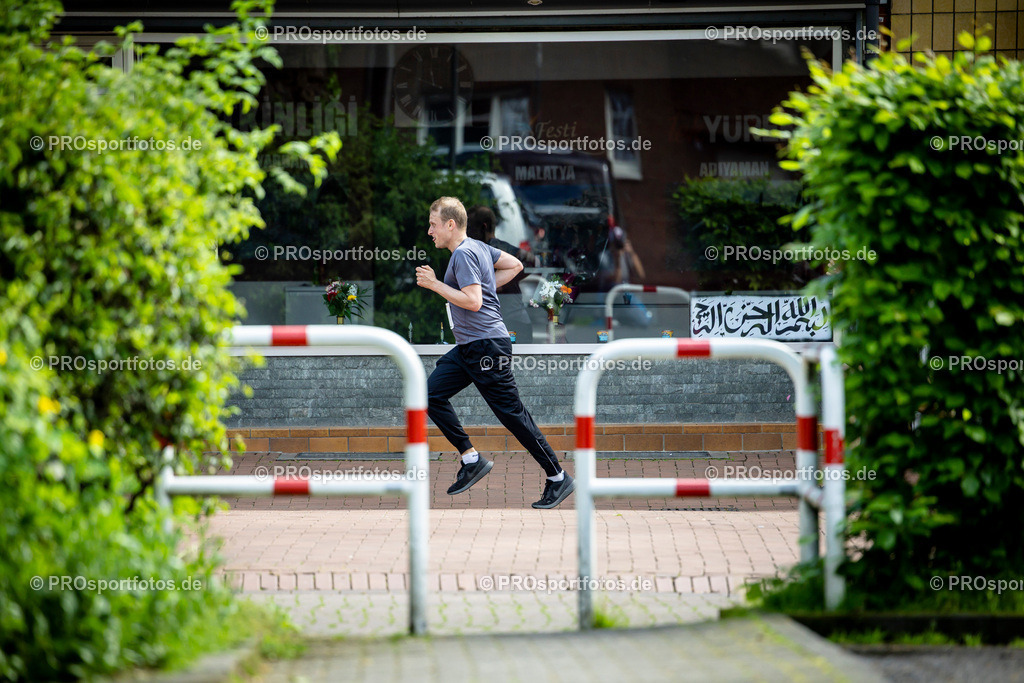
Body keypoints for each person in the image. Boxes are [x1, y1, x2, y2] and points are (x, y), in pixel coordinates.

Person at [416, 197, 574, 509]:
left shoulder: (463, 254)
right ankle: (471, 459)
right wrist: (487, 288)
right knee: (428, 394)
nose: (429, 230)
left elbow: (473, 302)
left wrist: (435, 285)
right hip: (471, 347)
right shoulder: (478, 248)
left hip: (486, 346)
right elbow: (516, 265)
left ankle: (558, 477)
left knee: (512, 415)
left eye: (433, 224)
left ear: (451, 224)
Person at [466, 205, 533, 343]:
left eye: (470, 228)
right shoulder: (492, 249)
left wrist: (504, 282)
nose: (467, 233)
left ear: (484, 227)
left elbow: (534, 262)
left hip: (511, 321)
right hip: (508, 319)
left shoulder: (496, 248)